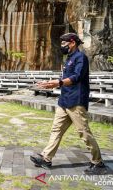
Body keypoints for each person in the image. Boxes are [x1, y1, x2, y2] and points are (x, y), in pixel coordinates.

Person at [30, 33, 107, 175]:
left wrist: (58, 82)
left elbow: (77, 77)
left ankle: (98, 162)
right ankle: (46, 158)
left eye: (64, 43)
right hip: (64, 100)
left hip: (76, 101)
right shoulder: (69, 59)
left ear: (72, 43)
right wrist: (50, 84)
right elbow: (65, 78)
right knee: (56, 130)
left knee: (83, 132)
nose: (62, 46)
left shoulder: (81, 58)